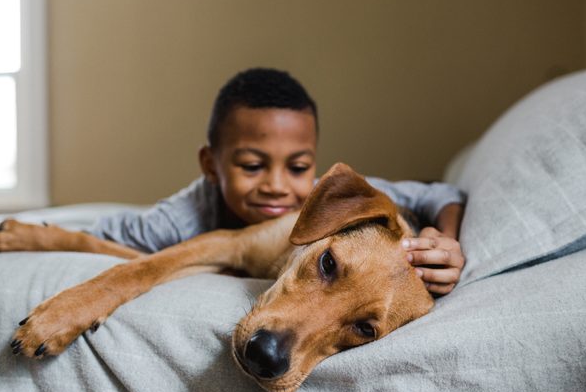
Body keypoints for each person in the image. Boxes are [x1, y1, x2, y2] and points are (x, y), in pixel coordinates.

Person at [89, 68, 466, 295]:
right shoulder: (181, 220)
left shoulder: (328, 199)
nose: (277, 185)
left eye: (298, 167)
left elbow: (441, 194)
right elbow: (107, 233)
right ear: (210, 165)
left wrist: (444, 239)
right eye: (252, 166)